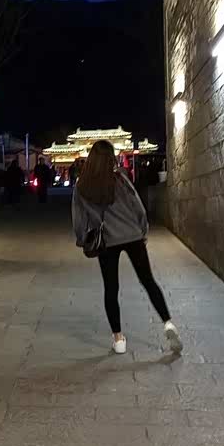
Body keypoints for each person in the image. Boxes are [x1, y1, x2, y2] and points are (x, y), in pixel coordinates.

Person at [71, 140, 183, 356]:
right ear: (111, 158)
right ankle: (168, 322)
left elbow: (78, 219)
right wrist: (142, 229)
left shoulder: (82, 187)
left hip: (107, 241)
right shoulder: (120, 179)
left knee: (111, 288)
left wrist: (83, 239)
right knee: (148, 280)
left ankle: (118, 339)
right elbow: (137, 205)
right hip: (132, 235)